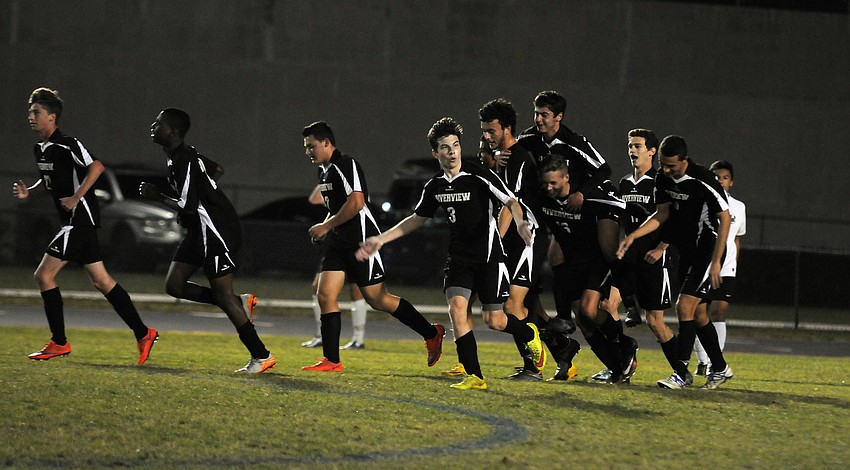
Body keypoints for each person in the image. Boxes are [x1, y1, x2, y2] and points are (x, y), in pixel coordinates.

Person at [357, 117, 543, 390]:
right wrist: (381, 240)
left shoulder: (477, 173)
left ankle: (528, 332)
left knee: (495, 320)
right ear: (436, 153)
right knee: (457, 309)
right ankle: (475, 376)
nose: (453, 151)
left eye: (456, 145)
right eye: (445, 147)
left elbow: (511, 201)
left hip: (490, 257)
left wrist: (520, 222)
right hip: (458, 259)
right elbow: (415, 219)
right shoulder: (435, 186)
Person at [13, 87, 158, 364]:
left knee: (43, 276)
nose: (30, 116)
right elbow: (48, 181)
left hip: (79, 221)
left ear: (52, 117)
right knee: (102, 281)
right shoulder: (41, 148)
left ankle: (59, 342)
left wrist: (77, 197)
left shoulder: (68, 143)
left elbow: (97, 167)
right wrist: (29, 192)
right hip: (76, 223)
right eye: (30, 111)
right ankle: (144, 332)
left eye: (36, 112)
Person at [301, 121, 445, 372]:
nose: (308, 152)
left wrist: (326, 226)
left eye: (311, 146)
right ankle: (332, 361)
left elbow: (356, 203)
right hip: (339, 242)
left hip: (362, 241)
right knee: (324, 294)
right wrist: (324, 226)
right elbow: (335, 209)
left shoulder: (346, 165)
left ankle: (431, 333)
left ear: (326, 143)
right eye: (306, 147)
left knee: (378, 299)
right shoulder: (323, 173)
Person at [140, 108, 274, 373]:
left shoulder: (183, 159)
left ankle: (262, 355)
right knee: (174, 285)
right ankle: (239, 302)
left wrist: (158, 197)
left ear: (173, 131)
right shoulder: (182, 156)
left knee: (223, 295)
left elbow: (188, 206)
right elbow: (217, 170)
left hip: (216, 230)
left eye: (158, 123)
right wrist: (205, 195)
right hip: (199, 229)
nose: (153, 127)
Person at [617, 135, 734, 389]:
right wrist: (633, 236)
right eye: (663, 164)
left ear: (685, 160)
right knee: (700, 314)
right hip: (687, 251)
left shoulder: (703, 178)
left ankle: (681, 372)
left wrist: (716, 262)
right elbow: (661, 215)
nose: (666, 170)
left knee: (684, 306)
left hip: (709, 248)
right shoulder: (662, 178)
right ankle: (721, 368)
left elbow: (725, 218)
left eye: (672, 165)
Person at [479, 98, 577, 381]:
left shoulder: (520, 159)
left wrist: (494, 242)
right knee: (529, 309)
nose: (487, 137)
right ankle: (564, 350)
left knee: (512, 307)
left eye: (492, 131)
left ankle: (533, 368)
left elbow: (512, 205)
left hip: (527, 239)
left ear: (508, 129)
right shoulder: (501, 157)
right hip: (514, 241)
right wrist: (490, 158)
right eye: (484, 131)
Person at [516, 90, 617, 343]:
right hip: (557, 207)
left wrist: (582, 193)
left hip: (585, 207)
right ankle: (563, 317)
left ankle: (623, 294)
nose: (539, 119)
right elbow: (513, 150)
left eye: (545, 115)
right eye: (537, 113)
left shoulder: (573, 141)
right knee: (555, 254)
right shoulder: (529, 138)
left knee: (605, 251)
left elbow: (604, 169)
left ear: (559, 117)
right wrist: (499, 156)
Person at [537, 154, 638, 384]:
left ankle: (624, 343)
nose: (549, 187)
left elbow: (616, 203)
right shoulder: (544, 199)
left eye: (554, 182)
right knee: (583, 320)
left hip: (595, 262)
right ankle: (616, 369)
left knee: (589, 310)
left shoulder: (586, 198)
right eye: (546, 183)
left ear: (567, 178)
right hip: (572, 263)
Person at [594, 129, 679, 382]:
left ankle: (681, 370)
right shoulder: (625, 183)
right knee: (607, 305)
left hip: (654, 258)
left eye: (638, 146)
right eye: (630, 146)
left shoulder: (660, 182)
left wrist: (661, 247)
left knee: (655, 322)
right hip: (630, 257)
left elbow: (673, 220)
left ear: (652, 151)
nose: (632, 150)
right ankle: (621, 363)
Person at [693, 160, 746, 376]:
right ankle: (702, 361)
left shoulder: (738, 207)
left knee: (719, 312)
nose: (721, 181)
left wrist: (733, 263)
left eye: (725, 177)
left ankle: (717, 361)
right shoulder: (703, 203)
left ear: (731, 182)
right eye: (717, 177)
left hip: (726, 267)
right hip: (705, 264)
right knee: (699, 311)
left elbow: (737, 238)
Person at [302, 185, 369, 350]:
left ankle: (358, 339)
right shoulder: (331, 181)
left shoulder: (355, 190)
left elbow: (355, 206)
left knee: (358, 290)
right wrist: (326, 178)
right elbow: (315, 199)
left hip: (357, 242)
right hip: (336, 244)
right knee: (318, 287)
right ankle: (321, 336)